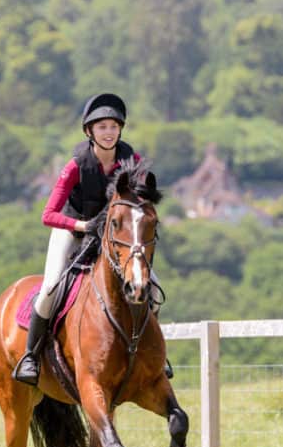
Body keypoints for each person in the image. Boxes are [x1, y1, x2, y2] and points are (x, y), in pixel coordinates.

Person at [13, 93, 169, 385]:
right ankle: (31, 357)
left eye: (113, 126)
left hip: (113, 236)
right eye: (101, 127)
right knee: (49, 288)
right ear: (89, 132)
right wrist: (83, 225)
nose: (108, 132)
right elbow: (48, 214)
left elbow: (141, 204)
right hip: (73, 230)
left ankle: (152, 353)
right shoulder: (75, 167)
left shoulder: (132, 161)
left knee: (153, 286)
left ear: (120, 129)